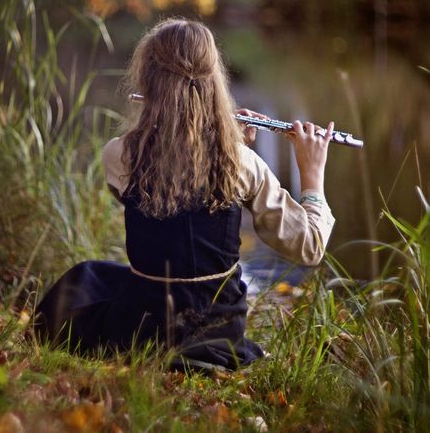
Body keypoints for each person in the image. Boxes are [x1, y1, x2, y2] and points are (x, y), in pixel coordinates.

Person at [35, 18, 335, 371]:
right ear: (213, 83)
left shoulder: (118, 154)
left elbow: (163, 217)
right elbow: (309, 247)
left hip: (144, 325)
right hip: (217, 331)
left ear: (148, 80)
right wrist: (311, 173)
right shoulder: (241, 164)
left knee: (86, 280)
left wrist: (221, 142)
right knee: (97, 276)